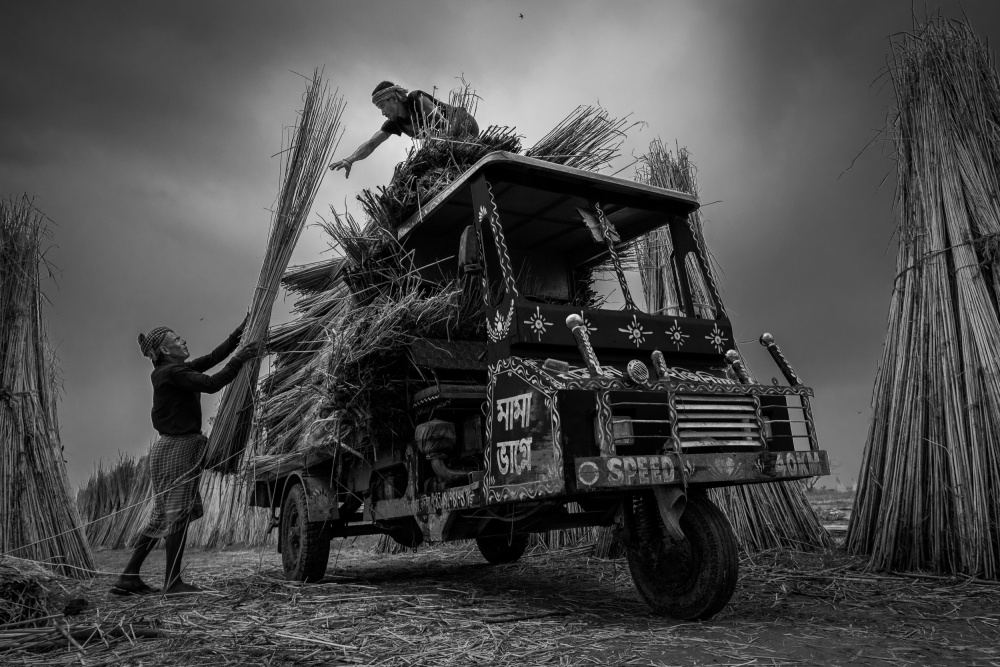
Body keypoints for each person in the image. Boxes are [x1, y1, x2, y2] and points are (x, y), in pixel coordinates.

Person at [111, 319, 258, 596]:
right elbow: (212, 383)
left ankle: (128, 577)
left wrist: (238, 334)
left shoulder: (173, 371)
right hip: (177, 448)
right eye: (177, 340)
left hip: (169, 448)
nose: (183, 341)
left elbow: (212, 358)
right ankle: (173, 582)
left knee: (161, 517)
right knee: (176, 514)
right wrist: (240, 360)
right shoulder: (170, 372)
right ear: (165, 350)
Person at [329, 81, 480, 178]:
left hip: (464, 127)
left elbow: (441, 122)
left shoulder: (416, 99)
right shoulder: (395, 123)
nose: (383, 113)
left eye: (382, 106)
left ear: (394, 99)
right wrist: (350, 159)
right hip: (446, 144)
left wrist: (439, 148)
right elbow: (371, 144)